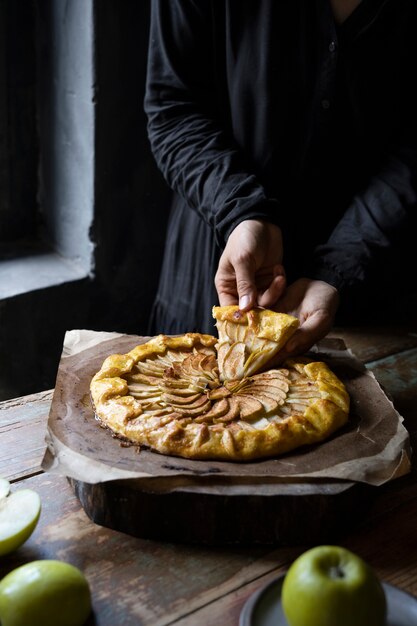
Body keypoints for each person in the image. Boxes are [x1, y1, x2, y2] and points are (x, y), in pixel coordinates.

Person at [144, 0, 417, 356]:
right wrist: (240, 212)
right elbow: (173, 107)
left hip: (376, 278)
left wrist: (341, 266)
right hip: (218, 257)